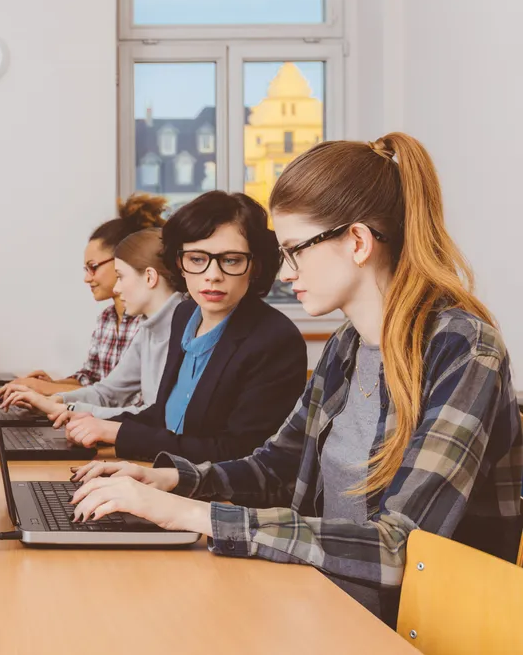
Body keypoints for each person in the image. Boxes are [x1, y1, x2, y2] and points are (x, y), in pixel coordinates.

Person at [70, 133, 523, 625]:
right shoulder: (347, 346)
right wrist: (171, 479)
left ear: (357, 242)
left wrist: (192, 516)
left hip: (408, 631)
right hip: (317, 599)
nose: (286, 273)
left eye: (295, 251)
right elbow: (277, 468)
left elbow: (402, 548)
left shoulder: (463, 350)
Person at [59, 191, 307, 463]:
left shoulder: (274, 340)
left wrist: (118, 433)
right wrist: (91, 423)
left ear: (255, 266)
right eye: (197, 259)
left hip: (215, 498)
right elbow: (164, 416)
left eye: (232, 260)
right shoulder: (184, 314)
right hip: (164, 477)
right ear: (180, 263)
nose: (213, 276)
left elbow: (239, 453)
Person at [0, 228, 182, 424]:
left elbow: (153, 416)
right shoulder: (149, 329)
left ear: (149, 277)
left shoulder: (184, 331)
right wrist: (56, 400)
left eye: (120, 277)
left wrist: (63, 408)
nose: (117, 288)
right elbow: (108, 391)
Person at [5, 193, 167, 396]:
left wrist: (48, 391)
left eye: (93, 267)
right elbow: (93, 381)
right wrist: (52, 385)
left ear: (122, 260)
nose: (87, 278)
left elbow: (122, 399)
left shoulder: (149, 324)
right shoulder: (107, 318)